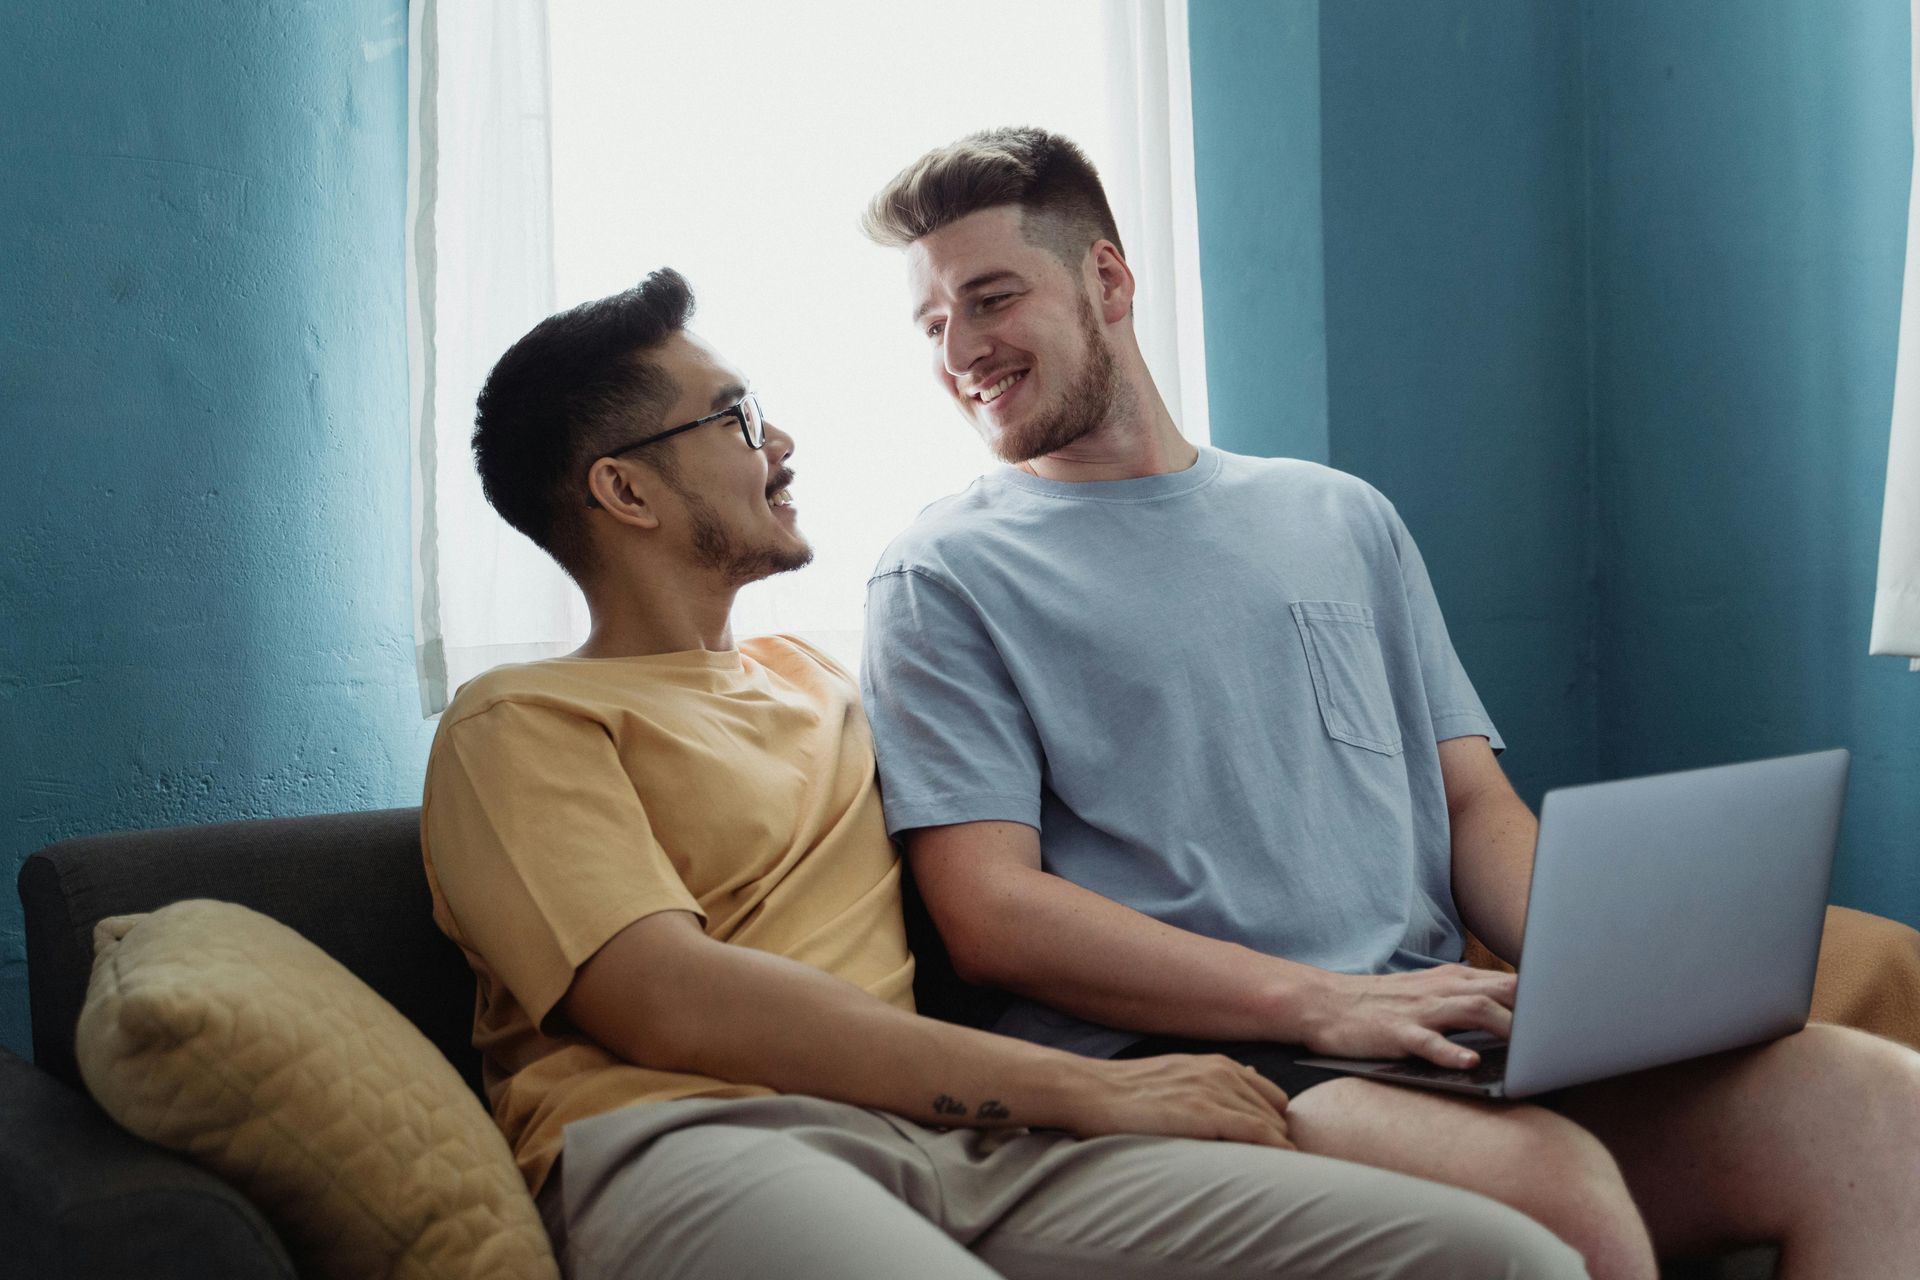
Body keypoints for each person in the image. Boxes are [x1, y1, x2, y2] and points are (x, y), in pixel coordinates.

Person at [857, 126, 1920, 1280]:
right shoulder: (942, 575)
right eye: (931, 325)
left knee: (1873, 1099)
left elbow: (1471, 802)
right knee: (1558, 1198)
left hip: (1423, 1032)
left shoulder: (1338, 516)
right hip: (1211, 1049)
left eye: (990, 298)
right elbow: (990, 911)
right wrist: (1317, 1004)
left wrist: (1599, 978)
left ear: (1106, 278)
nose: (960, 348)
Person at [419, 269, 1586, 1280]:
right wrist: (1091, 1089)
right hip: (698, 1142)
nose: (778, 444)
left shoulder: (820, 683)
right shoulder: (520, 725)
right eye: (735, 418)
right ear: (623, 491)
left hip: (951, 1142)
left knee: (1505, 1253)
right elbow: (673, 997)